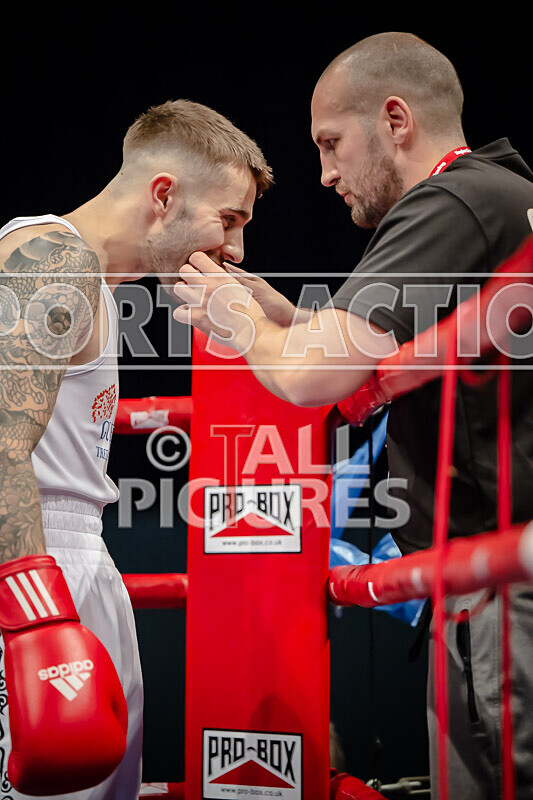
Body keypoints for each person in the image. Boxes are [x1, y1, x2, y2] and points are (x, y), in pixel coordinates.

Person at [173, 33, 533, 800]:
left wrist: (242, 324)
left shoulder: (453, 201)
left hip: (504, 584)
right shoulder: (499, 195)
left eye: (332, 143)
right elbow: (348, 346)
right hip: (488, 579)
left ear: (395, 119)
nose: (328, 173)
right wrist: (282, 315)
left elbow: (312, 378)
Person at [0, 99, 272, 799]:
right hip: (33, 573)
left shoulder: (96, 285)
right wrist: (36, 618)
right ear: (163, 195)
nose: (236, 249)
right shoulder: (50, 257)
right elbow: (2, 446)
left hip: (78, 564)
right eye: (229, 220)